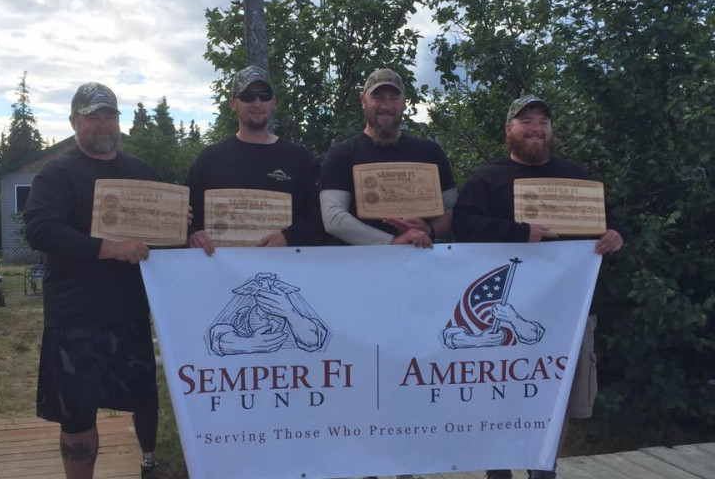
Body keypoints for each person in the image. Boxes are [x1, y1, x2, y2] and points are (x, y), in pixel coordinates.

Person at [452, 95, 624, 479]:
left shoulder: (577, 177)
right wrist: (519, 232)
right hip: (503, 315)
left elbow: (607, 223)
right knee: (498, 393)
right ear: (508, 131)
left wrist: (616, 234)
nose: (535, 128)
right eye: (525, 120)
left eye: (543, 121)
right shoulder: (486, 178)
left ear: (552, 130)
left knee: (557, 394)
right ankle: (498, 468)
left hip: (570, 310)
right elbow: (464, 225)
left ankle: (544, 465)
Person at [23, 82, 163, 479]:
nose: (102, 124)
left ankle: (150, 461)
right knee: (77, 414)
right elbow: (41, 231)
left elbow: (160, 231)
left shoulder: (140, 171)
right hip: (75, 317)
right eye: (92, 116)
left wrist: (177, 223)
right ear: (73, 122)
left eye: (109, 115)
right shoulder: (56, 173)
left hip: (132, 312)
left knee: (144, 399)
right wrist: (112, 249)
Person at [185, 65, 326, 254]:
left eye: (264, 95)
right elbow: (184, 217)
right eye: (248, 96)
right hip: (222, 274)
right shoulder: (209, 159)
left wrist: (288, 238)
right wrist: (192, 235)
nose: (257, 103)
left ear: (273, 101)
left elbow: (319, 220)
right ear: (233, 104)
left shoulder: (300, 158)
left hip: (285, 270)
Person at [319, 68, 457, 247]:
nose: (386, 106)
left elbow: (453, 210)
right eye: (378, 98)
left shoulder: (430, 152)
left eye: (394, 98)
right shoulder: (341, 154)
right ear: (363, 101)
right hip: (360, 268)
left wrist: (430, 230)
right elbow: (333, 218)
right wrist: (392, 242)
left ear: (404, 103)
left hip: (421, 262)